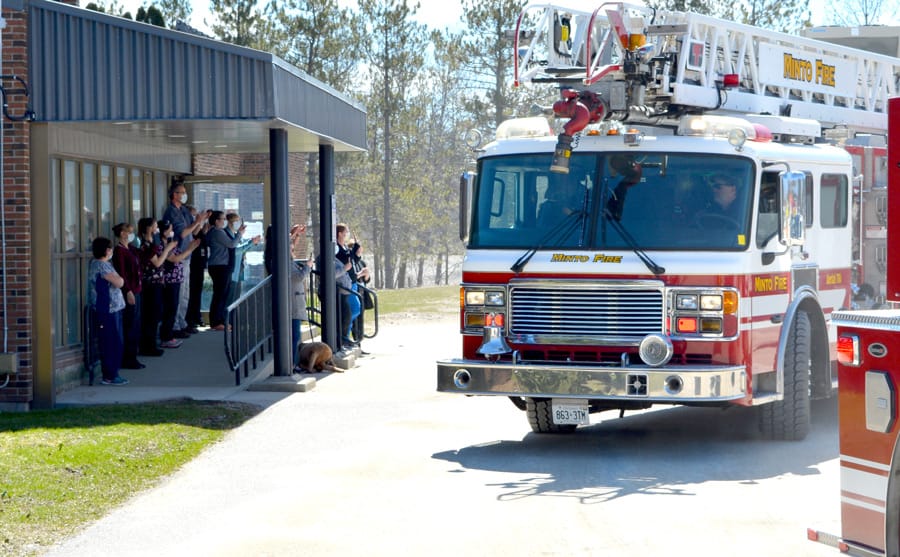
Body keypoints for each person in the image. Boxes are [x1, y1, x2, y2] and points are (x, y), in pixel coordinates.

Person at [162, 181, 209, 337]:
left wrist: (200, 220)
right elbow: (181, 233)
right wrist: (196, 222)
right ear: (174, 195)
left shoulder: (184, 210)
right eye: (181, 192)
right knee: (178, 293)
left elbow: (194, 231)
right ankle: (174, 326)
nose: (184, 195)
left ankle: (182, 322)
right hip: (178, 255)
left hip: (187, 255)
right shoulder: (171, 212)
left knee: (185, 293)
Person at [88, 237, 129, 386]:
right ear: (106, 250)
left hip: (114, 309)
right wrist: (120, 279)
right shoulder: (100, 266)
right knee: (111, 342)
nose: (112, 251)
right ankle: (110, 375)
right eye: (110, 248)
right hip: (107, 310)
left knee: (116, 341)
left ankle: (113, 373)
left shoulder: (104, 264)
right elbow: (119, 282)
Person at [157, 219, 200, 348]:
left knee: (173, 307)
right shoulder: (161, 246)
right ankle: (166, 336)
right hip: (169, 281)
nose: (172, 231)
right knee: (169, 309)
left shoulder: (169, 243)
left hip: (176, 280)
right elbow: (174, 258)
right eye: (169, 229)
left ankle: (169, 335)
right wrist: (190, 249)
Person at [137, 217, 176, 356]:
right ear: (148, 228)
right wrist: (168, 249)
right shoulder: (145, 244)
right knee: (151, 315)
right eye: (154, 226)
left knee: (155, 314)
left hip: (157, 282)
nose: (156, 228)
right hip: (150, 284)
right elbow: (157, 263)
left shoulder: (153, 241)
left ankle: (150, 344)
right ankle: (148, 346)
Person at [111, 222, 145, 370]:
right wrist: (128, 291)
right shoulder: (119, 251)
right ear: (123, 234)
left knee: (136, 324)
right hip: (129, 291)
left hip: (137, 289)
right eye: (129, 231)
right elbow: (122, 273)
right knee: (130, 325)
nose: (132, 234)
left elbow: (143, 256)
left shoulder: (130, 249)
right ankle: (128, 358)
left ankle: (133, 356)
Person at [206, 210, 246, 331]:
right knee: (220, 294)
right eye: (222, 219)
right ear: (216, 221)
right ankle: (216, 321)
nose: (224, 221)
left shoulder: (217, 231)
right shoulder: (217, 232)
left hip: (221, 266)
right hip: (219, 266)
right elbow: (232, 244)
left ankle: (219, 320)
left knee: (222, 294)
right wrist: (239, 234)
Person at [225, 212, 261, 306]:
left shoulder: (236, 235)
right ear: (229, 222)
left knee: (236, 300)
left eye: (239, 221)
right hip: (231, 272)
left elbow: (243, 248)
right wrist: (250, 243)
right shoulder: (226, 234)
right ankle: (225, 319)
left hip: (238, 272)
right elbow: (235, 250)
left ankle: (232, 319)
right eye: (236, 221)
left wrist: (252, 242)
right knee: (229, 300)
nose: (238, 223)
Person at [335, 223, 360, 348]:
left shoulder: (344, 246)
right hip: (344, 285)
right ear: (339, 233)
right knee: (353, 309)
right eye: (345, 231)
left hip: (351, 282)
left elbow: (352, 261)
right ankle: (344, 337)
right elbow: (343, 263)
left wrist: (357, 254)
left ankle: (347, 336)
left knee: (354, 309)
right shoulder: (336, 248)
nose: (347, 234)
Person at [185, 206, 210, 329]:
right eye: (193, 215)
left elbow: (200, 233)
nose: (195, 217)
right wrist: (199, 220)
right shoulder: (189, 227)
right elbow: (194, 233)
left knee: (197, 291)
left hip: (200, 262)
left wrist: (204, 222)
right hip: (193, 262)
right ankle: (190, 318)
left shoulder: (196, 225)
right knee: (192, 291)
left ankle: (196, 314)